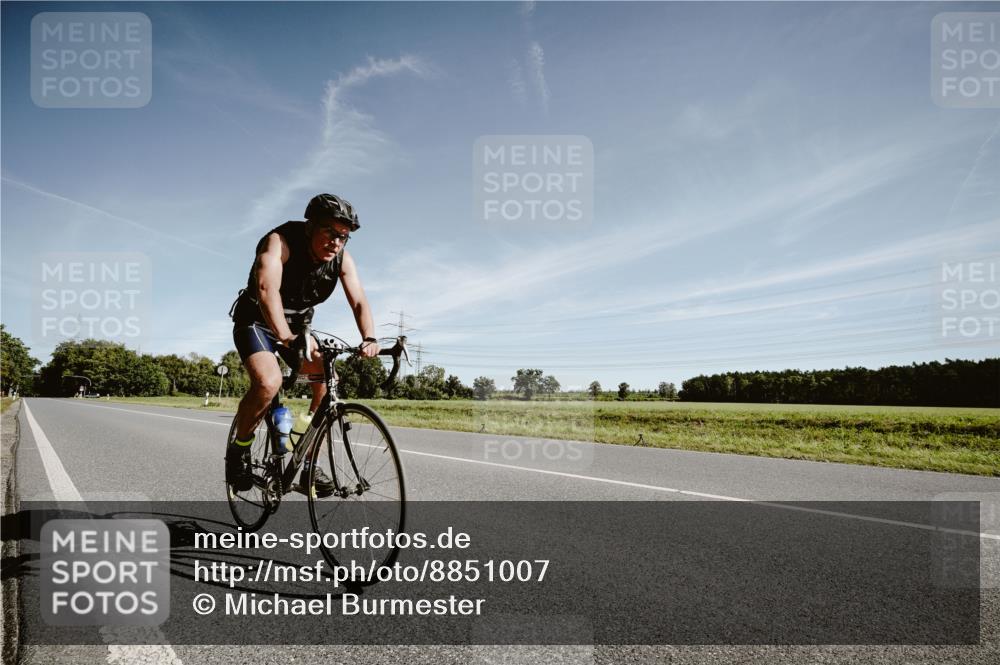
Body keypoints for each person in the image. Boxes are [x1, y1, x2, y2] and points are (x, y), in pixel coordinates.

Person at [226, 193, 380, 493]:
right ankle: (239, 450)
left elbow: (359, 299)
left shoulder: (341, 259)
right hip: (256, 321)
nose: (336, 242)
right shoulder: (279, 242)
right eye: (331, 233)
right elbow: (267, 288)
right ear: (310, 227)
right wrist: (285, 336)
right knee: (269, 383)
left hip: (297, 328)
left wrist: (369, 337)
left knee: (326, 383)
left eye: (344, 237)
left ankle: (307, 462)